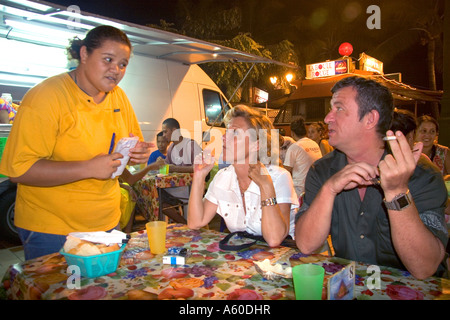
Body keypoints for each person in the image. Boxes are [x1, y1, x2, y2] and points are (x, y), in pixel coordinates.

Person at [0, 26, 152, 260]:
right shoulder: (46, 97)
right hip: (53, 229)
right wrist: (89, 168)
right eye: (108, 59)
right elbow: (19, 170)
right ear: (84, 54)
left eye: (123, 64)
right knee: (59, 294)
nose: (116, 70)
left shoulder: (118, 97)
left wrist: (136, 154)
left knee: (104, 293)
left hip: (106, 224)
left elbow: (129, 145)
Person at [295, 76, 448, 279]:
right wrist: (329, 189)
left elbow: (424, 268)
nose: (327, 118)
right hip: (349, 286)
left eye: (338, 108)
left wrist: (397, 193)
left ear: (370, 119)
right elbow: (305, 244)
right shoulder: (322, 170)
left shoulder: (421, 174)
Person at [187, 105, 299, 247]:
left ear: (256, 144)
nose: (223, 137)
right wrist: (199, 176)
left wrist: (266, 186)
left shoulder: (279, 177)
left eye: (234, 133)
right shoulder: (223, 177)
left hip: (279, 262)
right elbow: (195, 222)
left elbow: (274, 239)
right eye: (226, 131)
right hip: (243, 260)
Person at [283, 117, 322, 198]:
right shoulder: (314, 144)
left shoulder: (294, 147)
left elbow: (285, 171)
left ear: (292, 133)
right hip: (314, 185)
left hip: (299, 189)